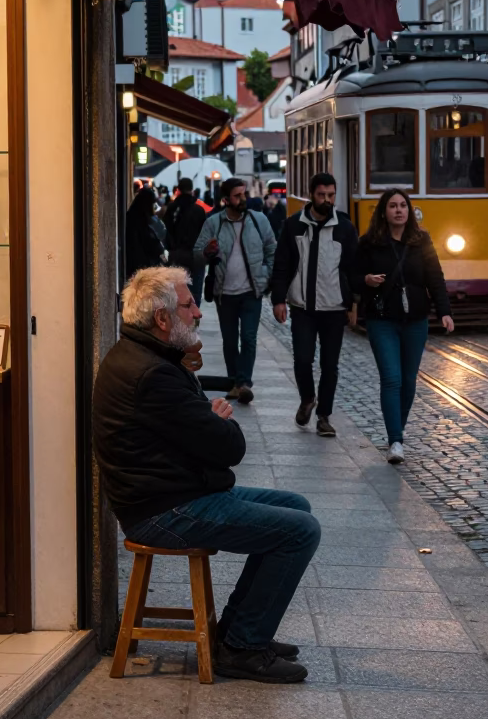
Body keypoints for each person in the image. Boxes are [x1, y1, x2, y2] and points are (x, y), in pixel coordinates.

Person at [92, 266, 320, 682]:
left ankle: (236, 631)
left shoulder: (149, 356)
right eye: (188, 305)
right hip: (164, 509)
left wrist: (206, 419)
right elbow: (229, 448)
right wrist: (217, 422)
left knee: (296, 506)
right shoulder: (154, 373)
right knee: (300, 530)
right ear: (162, 319)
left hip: (173, 492)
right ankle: (242, 648)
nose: (197, 313)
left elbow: (199, 442)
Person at [352, 189, 454, 464]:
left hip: (415, 321)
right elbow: (351, 276)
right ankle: (396, 440)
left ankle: (396, 431)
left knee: (408, 382)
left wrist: (445, 312)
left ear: (409, 211)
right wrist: (366, 280)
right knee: (392, 379)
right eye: (393, 206)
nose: (399, 210)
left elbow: (435, 277)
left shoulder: (422, 241)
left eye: (403, 206)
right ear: (383, 211)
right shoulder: (369, 243)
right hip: (382, 319)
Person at [270, 172, 358, 437]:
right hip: (302, 307)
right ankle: (308, 397)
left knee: (330, 365)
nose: (327, 200)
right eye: (322, 195)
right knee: (303, 359)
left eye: (331, 195)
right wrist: (278, 299)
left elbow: (352, 268)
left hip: (334, 308)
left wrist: (353, 303)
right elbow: (282, 264)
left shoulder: (345, 228)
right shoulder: (293, 225)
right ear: (311, 194)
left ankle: (324, 416)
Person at [194, 177, 277, 404]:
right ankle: (234, 382)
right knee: (230, 341)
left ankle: (243, 383)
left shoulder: (258, 220)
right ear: (225, 200)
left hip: (251, 292)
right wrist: (207, 252)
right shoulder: (214, 223)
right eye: (237, 196)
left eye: (244, 195)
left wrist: (267, 275)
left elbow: (272, 248)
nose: (243, 199)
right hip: (225, 293)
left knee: (249, 338)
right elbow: (197, 253)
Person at [166, 178, 208, 305]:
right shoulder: (199, 210)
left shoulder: (171, 208)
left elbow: (166, 232)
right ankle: (193, 318)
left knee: (176, 293)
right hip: (195, 256)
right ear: (192, 190)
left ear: (178, 189)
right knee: (195, 292)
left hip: (176, 255)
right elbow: (205, 234)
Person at [124, 186, 165, 279]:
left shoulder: (132, 216)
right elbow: (150, 242)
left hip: (137, 266)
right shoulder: (142, 220)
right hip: (143, 266)